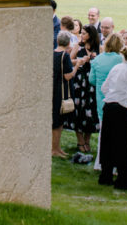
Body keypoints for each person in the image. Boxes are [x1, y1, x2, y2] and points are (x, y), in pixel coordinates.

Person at [99, 46, 127, 191]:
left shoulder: (116, 68)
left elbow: (104, 88)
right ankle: (122, 180)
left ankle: (105, 176)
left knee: (108, 143)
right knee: (123, 146)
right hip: (120, 109)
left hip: (108, 107)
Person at [66, 24, 99, 160]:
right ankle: (80, 140)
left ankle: (87, 140)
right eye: (81, 33)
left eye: (84, 33)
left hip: (91, 82)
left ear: (90, 35)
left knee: (90, 110)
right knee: (78, 110)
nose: (82, 36)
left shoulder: (98, 48)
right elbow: (69, 60)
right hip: (79, 81)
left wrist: (93, 59)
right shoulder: (77, 47)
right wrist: (80, 61)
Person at [53, 30, 78, 159]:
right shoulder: (65, 55)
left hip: (53, 89)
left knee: (56, 121)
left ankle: (57, 148)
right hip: (61, 91)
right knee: (58, 122)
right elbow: (68, 75)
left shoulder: (53, 53)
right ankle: (55, 149)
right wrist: (77, 65)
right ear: (68, 42)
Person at [90, 32, 124, 123]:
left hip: (102, 98)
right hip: (119, 99)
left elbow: (91, 80)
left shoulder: (97, 59)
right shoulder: (121, 59)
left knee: (103, 128)